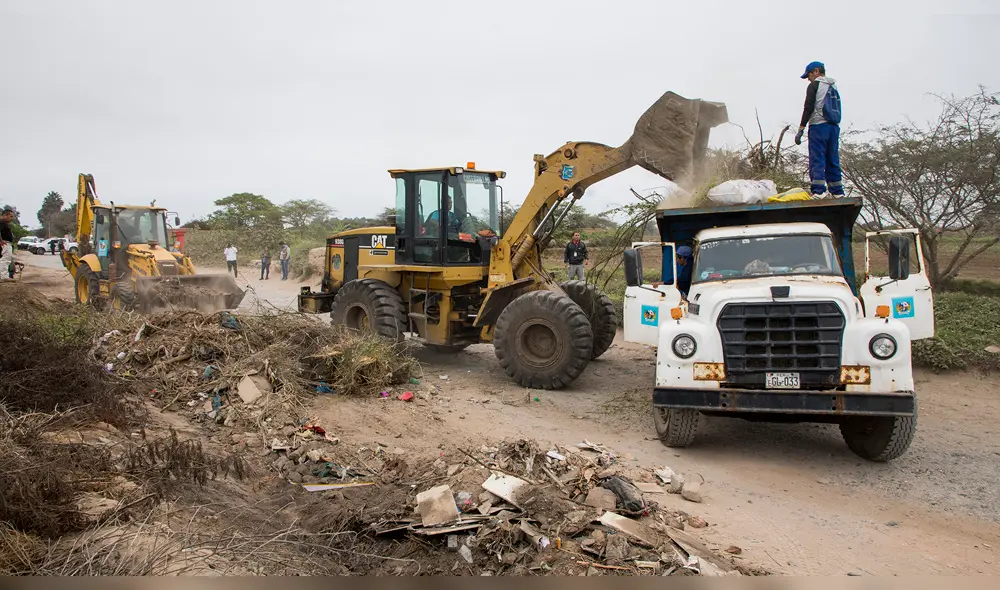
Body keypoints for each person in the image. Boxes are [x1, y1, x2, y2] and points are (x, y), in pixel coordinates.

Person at [794, 61, 844, 198]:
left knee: (817, 158)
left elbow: (808, 106)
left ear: (816, 71)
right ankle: (837, 191)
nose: (808, 79)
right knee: (832, 158)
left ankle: (818, 191)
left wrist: (801, 128)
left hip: (819, 126)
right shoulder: (833, 85)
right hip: (833, 127)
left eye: (809, 75)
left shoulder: (814, 85)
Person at [0, 206, 16, 280]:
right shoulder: (1, 222)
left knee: (7, 260)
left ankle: (4, 275)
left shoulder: (4, 223)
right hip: (5, 243)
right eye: (10, 216)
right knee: (5, 260)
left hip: (6, 243)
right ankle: (3, 276)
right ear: (5, 215)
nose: (12, 218)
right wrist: (1, 241)